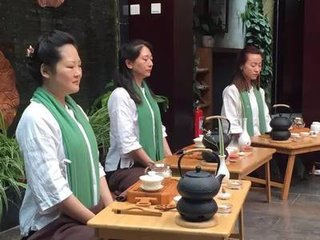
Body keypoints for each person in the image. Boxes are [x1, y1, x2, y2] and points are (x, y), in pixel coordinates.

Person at [16, 30, 113, 240]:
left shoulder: (75, 110)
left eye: (79, 65)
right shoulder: (36, 118)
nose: (78, 72)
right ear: (46, 71)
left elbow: (94, 165)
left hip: (86, 213)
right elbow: (54, 190)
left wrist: (112, 211)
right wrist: (100, 224)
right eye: (70, 66)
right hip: (52, 224)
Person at [105, 39, 172, 195]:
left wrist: (169, 159)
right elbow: (128, 143)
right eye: (145, 59)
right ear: (129, 63)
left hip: (146, 165)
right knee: (158, 187)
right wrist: (155, 166)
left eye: (151, 59)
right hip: (125, 168)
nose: (150, 63)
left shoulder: (146, 93)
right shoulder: (120, 95)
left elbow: (159, 130)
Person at [221, 45, 272, 140]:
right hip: (240, 145)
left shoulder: (259, 91)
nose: (257, 69)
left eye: (259, 65)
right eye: (253, 65)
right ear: (241, 66)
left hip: (261, 142)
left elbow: (266, 119)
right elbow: (230, 123)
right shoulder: (232, 91)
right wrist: (245, 139)